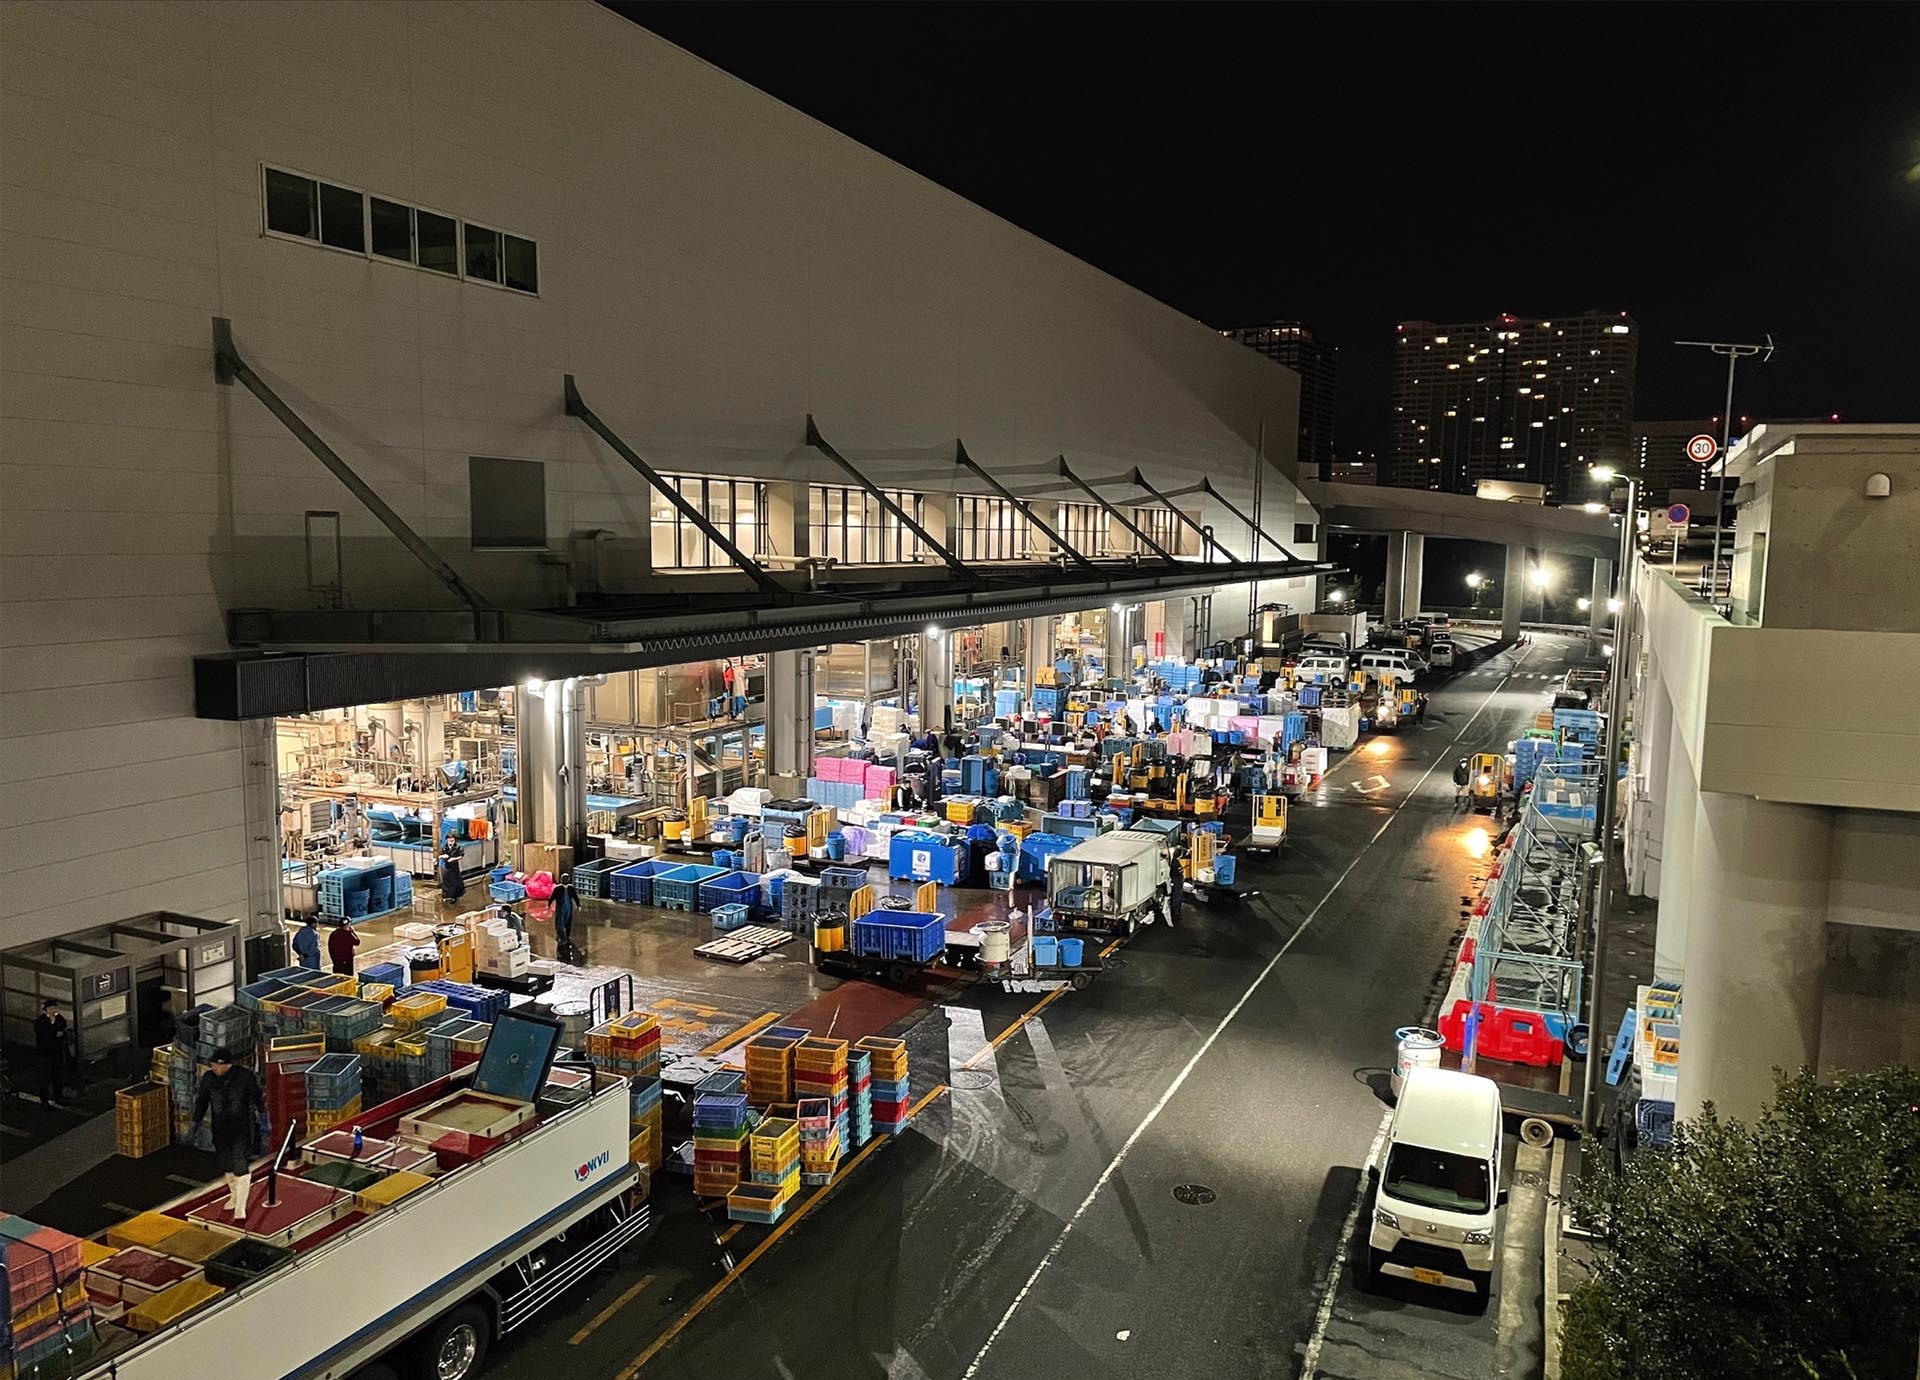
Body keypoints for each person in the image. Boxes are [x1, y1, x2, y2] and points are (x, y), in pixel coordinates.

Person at [190, 1048, 265, 1219]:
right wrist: (196, 1122)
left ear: (228, 1065)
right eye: (213, 1065)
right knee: (226, 1164)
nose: (215, 1068)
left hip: (242, 1129)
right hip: (220, 1128)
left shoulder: (245, 1076)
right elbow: (202, 1101)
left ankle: (241, 1207)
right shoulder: (208, 1079)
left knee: (240, 1163)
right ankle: (234, 1195)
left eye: (219, 1065)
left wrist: (263, 1117)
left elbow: (257, 1097)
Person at [34, 1000, 74, 1108]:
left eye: (54, 1008)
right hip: (45, 1054)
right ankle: (44, 1101)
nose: (53, 1010)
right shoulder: (41, 1021)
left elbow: (62, 1028)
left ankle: (59, 1097)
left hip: (57, 1052)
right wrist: (56, 1034)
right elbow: (44, 1036)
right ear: (45, 1010)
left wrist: (59, 1034)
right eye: (50, 1008)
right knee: (45, 1078)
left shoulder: (59, 1019)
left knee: (58, 1076)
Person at [553, 877, 577, 959]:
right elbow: (553, 896)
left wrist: (578, 904)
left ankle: (567, 935)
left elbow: (575, 896)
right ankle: (561, 936)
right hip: (560, 907)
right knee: (560, 922)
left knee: (568, 922)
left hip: (568, 907)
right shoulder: (557, 888)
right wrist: (549, 904)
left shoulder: (571, 888)